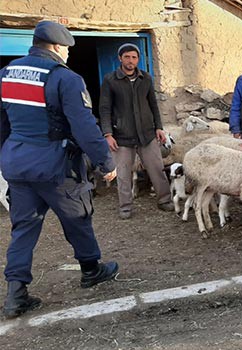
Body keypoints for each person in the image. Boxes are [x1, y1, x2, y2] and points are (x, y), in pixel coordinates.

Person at [0, 21, 119, 318]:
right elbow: (84, 126)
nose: (66, 54)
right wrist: (105, 161)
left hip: (17, 165)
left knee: (23, 228)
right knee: (78, 217)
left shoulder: (7, 73)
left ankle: (16, 294)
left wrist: (5, 157)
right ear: (54, 47)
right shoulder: (65, 78)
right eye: (65, 48)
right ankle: (91, 270)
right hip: (55, 166)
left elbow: (2, 124)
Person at [99, 43, 174, 219]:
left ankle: (164, 200)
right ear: (120, 58)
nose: (130, 60)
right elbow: (104, 108)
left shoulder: (145, 78)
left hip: (147, 133)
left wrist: (158, 127)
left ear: (138, 60)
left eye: (134, 57)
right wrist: (108, 134)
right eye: (127, 57)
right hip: (122, 135)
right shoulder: (111, 80)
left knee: (156, 168)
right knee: (124, 173)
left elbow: (153, 105)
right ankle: (125, 207)